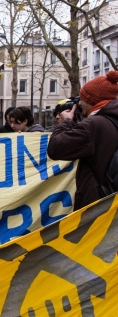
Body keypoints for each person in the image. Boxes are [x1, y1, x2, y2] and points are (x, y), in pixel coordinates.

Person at [48, 70, 118, 211]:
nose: (79, 102)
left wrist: (66, 122)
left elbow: (56, 148)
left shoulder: (93, 125)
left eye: (82, 98)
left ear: (92, 100)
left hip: (98, 207)